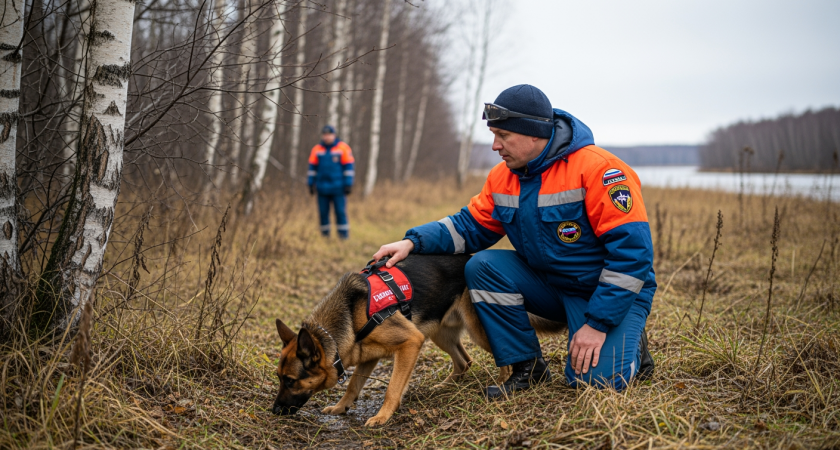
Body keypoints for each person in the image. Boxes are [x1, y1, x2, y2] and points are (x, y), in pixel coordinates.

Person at [372, 85, 656, 398]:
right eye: (494, 135)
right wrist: (412, 242)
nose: (495, 146)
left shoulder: (601, 170)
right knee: (483, 266)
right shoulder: (503, 176)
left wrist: (599, 323)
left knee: (595, 385)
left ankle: (633, 343)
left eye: (503, 136)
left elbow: (633, 254)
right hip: (552, 286)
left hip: (605, 290)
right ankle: (527, 368)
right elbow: (468, 226)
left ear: (534, 134)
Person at [308, 125, 354, 239]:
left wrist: (348, 184)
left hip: (339, 188)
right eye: (325, 135)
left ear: (334, 135)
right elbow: (312, 169)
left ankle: (343, 237)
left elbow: (349, 168)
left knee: (340, 212)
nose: (327, 137)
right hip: (322, 188)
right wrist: (310, 183)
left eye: (329, 134)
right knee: (323, 213)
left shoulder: (343, 148)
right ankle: (325, 237)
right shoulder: (316, 149)